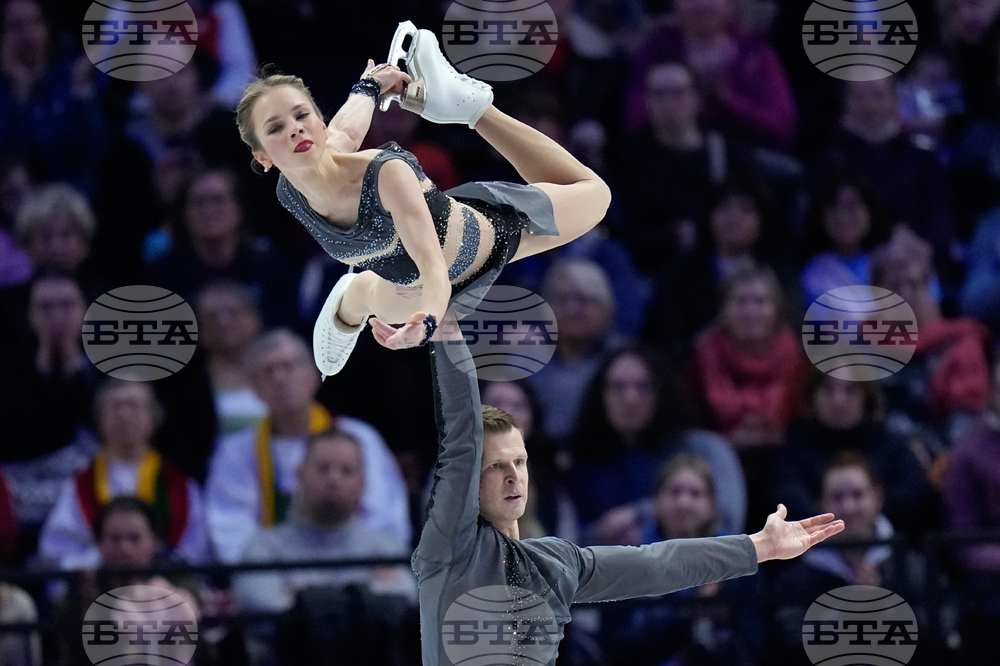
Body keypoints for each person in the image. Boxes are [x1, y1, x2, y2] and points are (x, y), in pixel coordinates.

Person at [400, 310, 844, 665]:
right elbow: (461, 441)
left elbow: (659, 563)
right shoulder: (449, 548)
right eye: (496, 466)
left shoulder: (557, 562)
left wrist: (758, 547)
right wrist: (449, 339)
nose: (514, 475)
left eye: (519, 461)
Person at [234, 21, 612, 375]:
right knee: (374, 297)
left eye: (302, 115)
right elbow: (346, 128)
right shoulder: (289, 190)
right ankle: (355, 296)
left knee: (596, 196)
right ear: (263, 157)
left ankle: (473, 108)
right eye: (276, 127)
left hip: (492, 236)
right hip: (404, 290)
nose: (295, 128)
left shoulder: (386, 172)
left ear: (319, 120)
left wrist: (428, 321)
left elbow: (434, 268)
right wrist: (368, 88)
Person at [205, 328, 410, 562]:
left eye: (289, 366)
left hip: (357, 571)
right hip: (274, 574)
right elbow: (229, 526)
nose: (280, 378)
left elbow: (386, 515)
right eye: (268, 371)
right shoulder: (235, 451)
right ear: (254, 388)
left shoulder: (359, 437)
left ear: (314, 375)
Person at [234, 428, 415, 614]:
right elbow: (259, 603)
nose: (333, 479)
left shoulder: (386, 550)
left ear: (362, 484)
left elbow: (405, 596)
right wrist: (366, 594)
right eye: (323, 468)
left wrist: (301, 598)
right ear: (300, 475)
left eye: (346, 471)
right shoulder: (263, 548)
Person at [38, 379, 211, 569]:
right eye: (115, 407)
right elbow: (57, 548)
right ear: (99, 419)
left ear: (154, 418)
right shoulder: (80, 484)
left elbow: (196, 550)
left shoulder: (179, 484)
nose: (124, 414)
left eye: (134, 406)